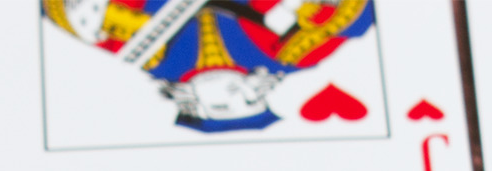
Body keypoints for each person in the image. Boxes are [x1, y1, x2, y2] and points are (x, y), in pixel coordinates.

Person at [42, 0, 376, 133]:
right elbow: (356, 17)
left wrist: (110, 18)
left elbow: (64, 13)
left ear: (190, 103)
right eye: (254, 101)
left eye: (227, 105)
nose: (247, 93)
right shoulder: (291, 54)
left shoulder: (149, 57)